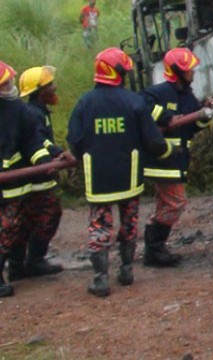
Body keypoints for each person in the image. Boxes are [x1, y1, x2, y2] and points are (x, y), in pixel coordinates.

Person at [67, 48, 174, 297]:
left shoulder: (84, 103)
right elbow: (153, 141)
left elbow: (75, 140)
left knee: (99, 227)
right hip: (129, 177)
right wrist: (169, 152)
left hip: (99, 179)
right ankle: (126, 271)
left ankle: (100, 280)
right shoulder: (133, 101)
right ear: (116, 73)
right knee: (129, 224)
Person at [0, 60, 74, 297]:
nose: (10, 85)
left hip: (22, 183)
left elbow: (34, 139)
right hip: (7, 185)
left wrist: (48, 159)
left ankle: (28, 264)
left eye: (9, 81)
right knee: (8, 228)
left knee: (41, 216)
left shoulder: (19, 110)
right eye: (5, 83)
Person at [141, 48, 212, 268]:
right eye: (189, 69)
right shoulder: (158, 93)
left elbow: (194, 127)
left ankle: (154, 249)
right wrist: (167, 117)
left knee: (167, 203)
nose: (193, 72)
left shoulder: (188, 96)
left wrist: (205, 113)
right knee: (176, 202)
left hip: (178, 159)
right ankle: (154, 248)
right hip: (162, 159)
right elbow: (141, 107)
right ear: (177, 71)